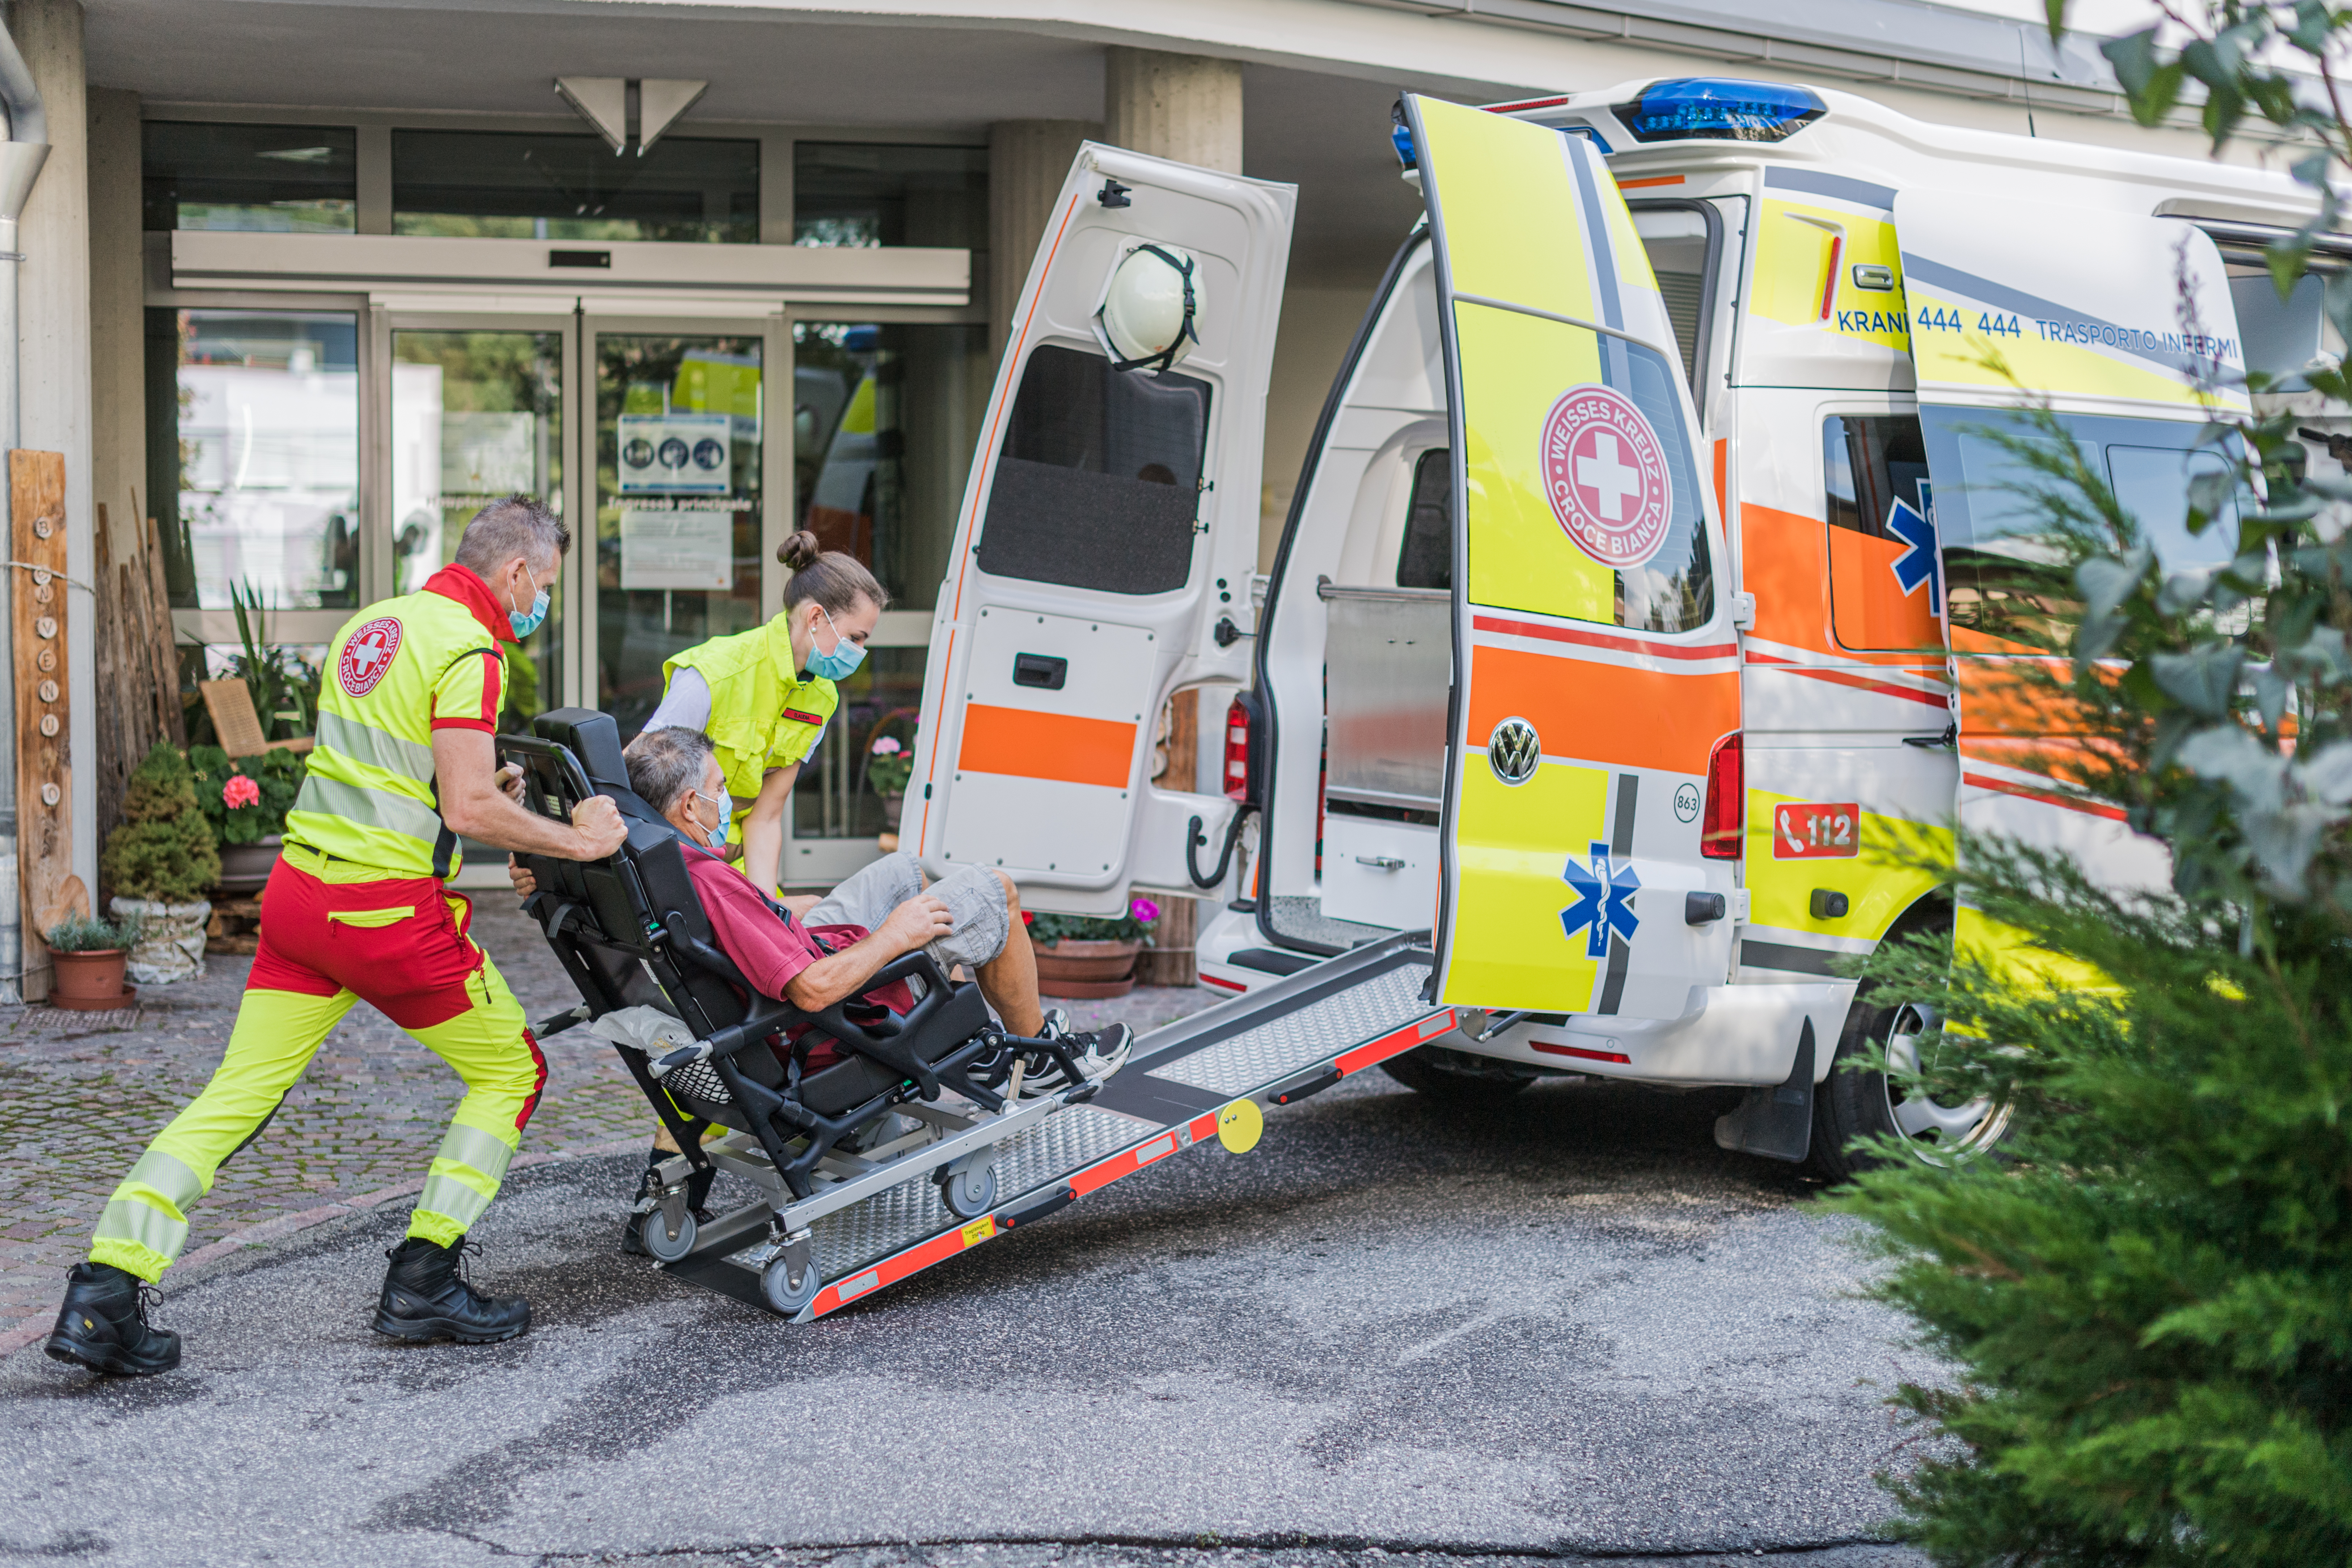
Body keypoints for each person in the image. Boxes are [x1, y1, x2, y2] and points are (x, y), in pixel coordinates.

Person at [46, 497, 630, 1378]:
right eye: (542, 586)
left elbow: (391, 769)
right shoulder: (471, 650)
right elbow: (472, 809)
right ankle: (426, 1276)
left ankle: (104, 1293)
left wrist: (471, 785)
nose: (538, 605)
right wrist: (580, 840)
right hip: (385, 916)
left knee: (233, 1096)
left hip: (299, 901)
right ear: (515, 573)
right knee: (513, 1070)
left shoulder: (378, 624)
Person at [512, 727, 1134, 1238]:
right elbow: (810, 990)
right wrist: (895, 934)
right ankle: (1044, 1057)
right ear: (688, 807)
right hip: (830, 1015)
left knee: (904, 870)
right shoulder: (711, 881)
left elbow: (742, 936)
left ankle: (986, 1034)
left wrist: (786, 912)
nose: (727, 798)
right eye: (719, 789)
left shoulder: (640, 866)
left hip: (785, 959)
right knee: (991, 889)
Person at [644, 531, 884, 896]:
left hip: (734, 867)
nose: (861, 651)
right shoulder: (713, 673)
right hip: (677, 864)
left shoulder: (821, 697)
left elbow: (767, 815)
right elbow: (643, 786)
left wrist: (766, 905)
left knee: (795, 931)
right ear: (816, 618)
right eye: (856, 637)